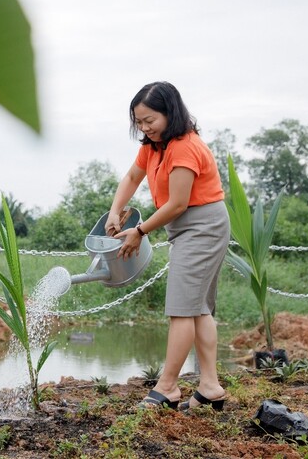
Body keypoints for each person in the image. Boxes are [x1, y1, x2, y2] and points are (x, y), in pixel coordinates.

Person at [105, 81, 229, 411]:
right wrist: (116, 210)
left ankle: (168, 388)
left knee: (181, 310)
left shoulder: (185, 146)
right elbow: (133, 177)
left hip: (202, 226)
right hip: (189, 228)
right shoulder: (153, 147)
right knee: (198, 308)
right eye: (139, 122)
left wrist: (139, 231)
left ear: (170, 113)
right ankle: (211, 386)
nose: (145, 128)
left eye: (150, 120)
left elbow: (177, 203)